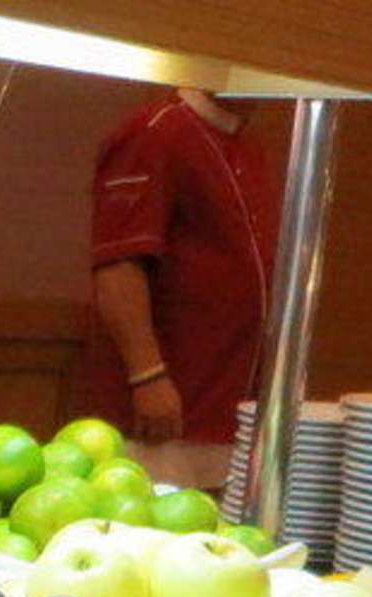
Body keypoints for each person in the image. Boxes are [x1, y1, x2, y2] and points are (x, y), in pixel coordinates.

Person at [76, 88, 282, 492]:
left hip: (230, 407)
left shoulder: (251, 147)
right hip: (164, 409)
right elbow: (118, 267)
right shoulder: (153, 132)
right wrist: (147, 376)